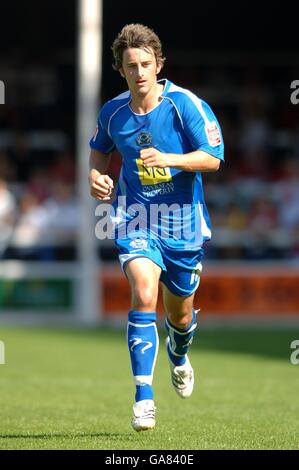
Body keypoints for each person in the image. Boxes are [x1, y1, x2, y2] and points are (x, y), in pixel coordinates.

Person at [89, 23, 224, 432]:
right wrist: (96, 178)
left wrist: (171, 159)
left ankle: (179, 353)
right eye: (132, 65)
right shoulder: (112, 112)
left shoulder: (186, 105)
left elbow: (213, 159)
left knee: (179, 317)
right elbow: (99, 153)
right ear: (121, 69)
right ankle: (143, 398)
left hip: (183, 224)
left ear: (158, 64)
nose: (140, 72)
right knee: (143, 292)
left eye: (147, 63)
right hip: (136, 218)